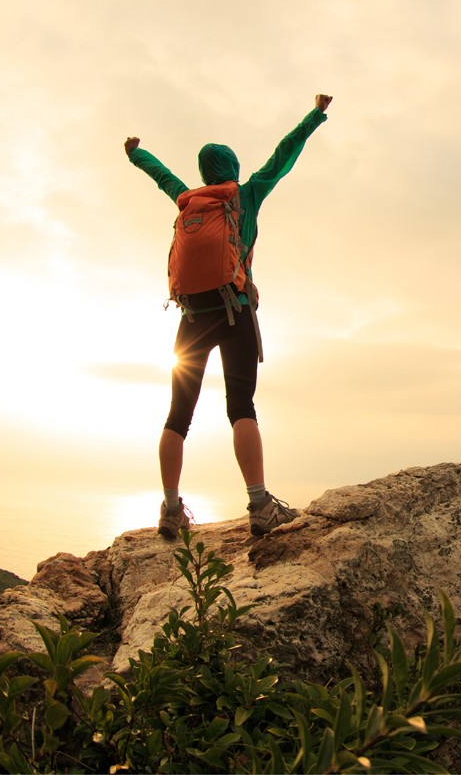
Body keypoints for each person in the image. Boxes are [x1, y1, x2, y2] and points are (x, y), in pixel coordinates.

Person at [124, 93, 333, 539]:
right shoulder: (247, 193)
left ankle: (169, 509)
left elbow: (162, 176)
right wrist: (315, 115)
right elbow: (284, 154)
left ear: (203, 173)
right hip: (235, 310)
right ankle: (259, 504)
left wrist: (135, 153)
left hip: (192, 317)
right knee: (241, 407)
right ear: (233, 169)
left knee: (177, 415)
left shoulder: (187, 199)